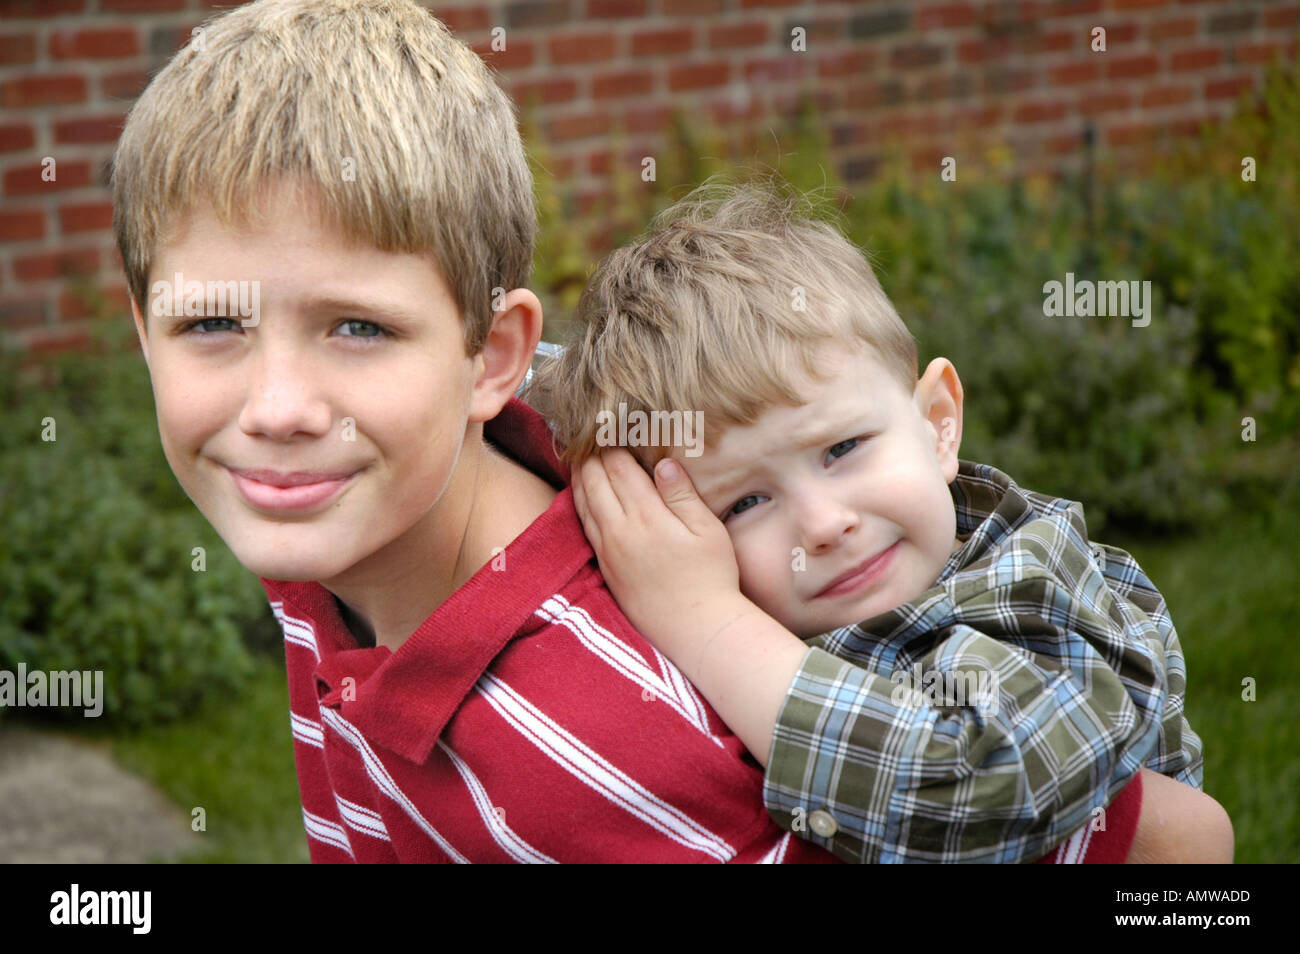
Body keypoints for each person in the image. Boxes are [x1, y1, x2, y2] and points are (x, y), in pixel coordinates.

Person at [112, 0, 1209, 863]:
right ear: (142, 331)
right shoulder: (339, 517)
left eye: (358, 326)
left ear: (485, 359)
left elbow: (1172, 841)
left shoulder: (609, 741)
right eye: (211, 323)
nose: (278, 407)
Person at [533, 181, 1234, 863]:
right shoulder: (807, 613)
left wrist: (701, 620)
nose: (824, 524)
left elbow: (981, 784)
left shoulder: (1029, 587)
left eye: (842, 449)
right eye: (745, 503)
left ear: (937, 425)